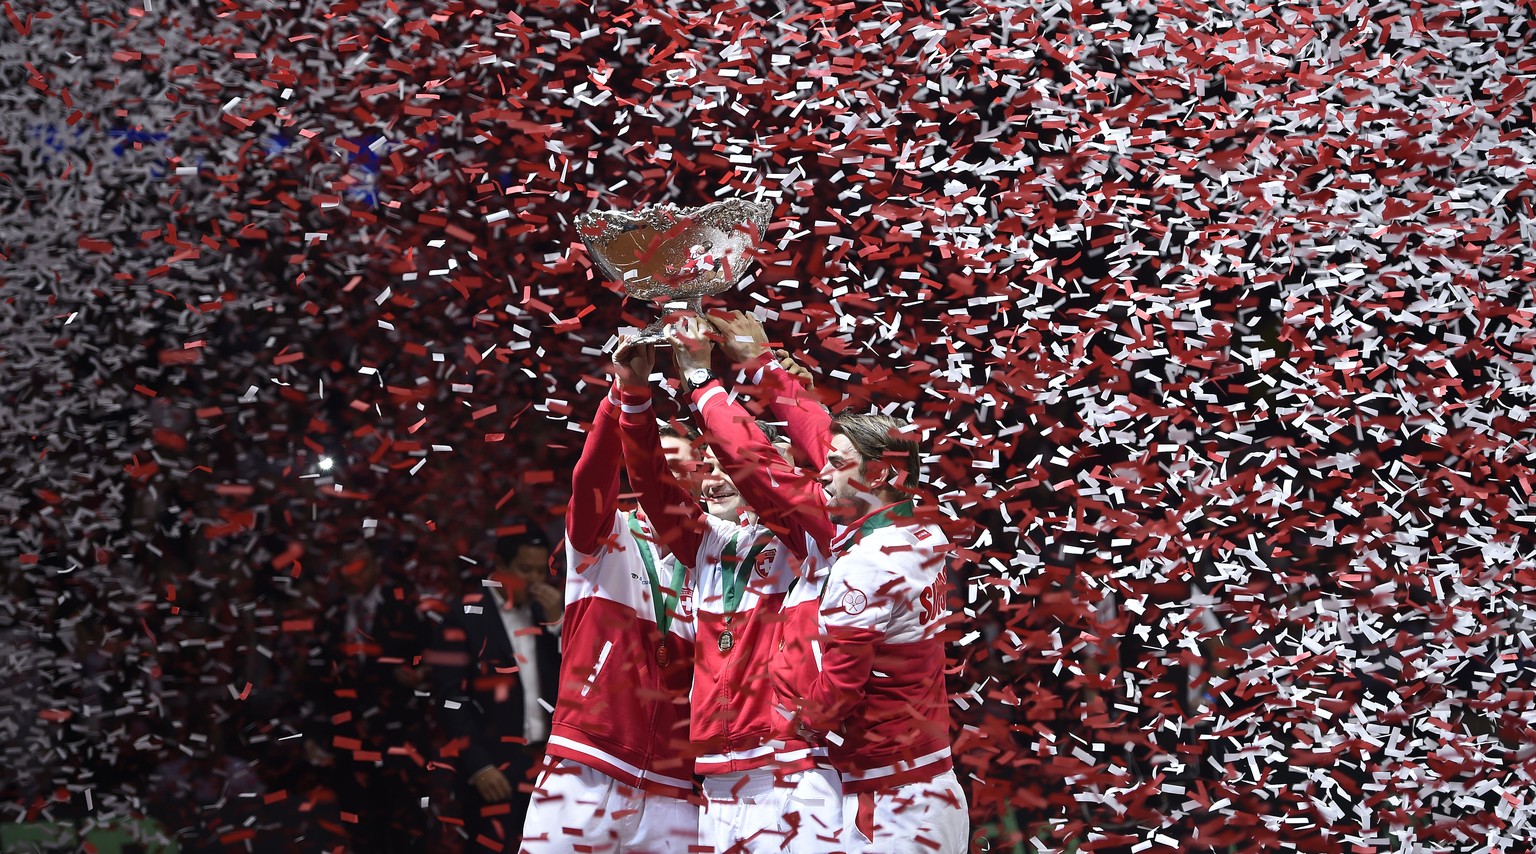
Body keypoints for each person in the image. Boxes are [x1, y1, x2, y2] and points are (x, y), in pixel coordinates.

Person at [687, 311, 969, 854]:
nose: (821, 471)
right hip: (921, 780)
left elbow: (764, 467)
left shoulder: (865, 563)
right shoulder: (917, 532)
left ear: (878, 474)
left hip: (888, 797)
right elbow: (824, 442)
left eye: (837, 465)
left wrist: (704, 385)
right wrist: (762, 365)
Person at [614, 327, 840, 854]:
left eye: (725, 469)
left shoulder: (813, 539)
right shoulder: (708, 543)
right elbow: (652, 483)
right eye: (707, 468)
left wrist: (706, 381)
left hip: (792, 768)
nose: (712, 479)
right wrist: (634, 398)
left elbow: (755, 462)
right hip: (717, 774)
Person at [518, 354, 697, 853]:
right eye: (660, 459)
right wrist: (622, 395)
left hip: (675, 787)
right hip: (586, 765)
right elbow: (591, 477)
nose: (673, 472)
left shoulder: (711, 561)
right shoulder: (605, 538)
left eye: (685, 465)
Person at [431, 529, 562, 853]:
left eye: (539, 571)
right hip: (494, 764)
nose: (534, 580)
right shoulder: (463, 616)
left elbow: (574, 679)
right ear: (500, 565)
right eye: (523, 570)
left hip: (546, 763)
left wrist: (559, 623)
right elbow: (450, 699)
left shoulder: (545, 612)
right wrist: (478, 765)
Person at [303, 539, 433, 852]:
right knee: (359, 830)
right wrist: (314, 733)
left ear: (376, 564)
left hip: (401, 737)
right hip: (349, 741)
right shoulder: (331, 615)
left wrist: (422, 674)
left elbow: (437, 656)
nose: (354, 575)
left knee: (405, 827)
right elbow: (318, 682)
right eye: (346, 567)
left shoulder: (405, 606)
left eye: (360, 566)